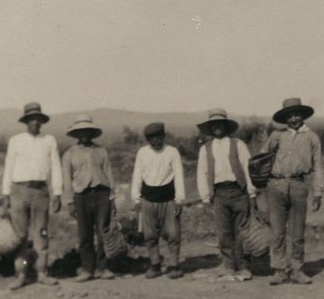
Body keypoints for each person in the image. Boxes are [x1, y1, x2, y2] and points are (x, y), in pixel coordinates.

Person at [263, 98, 324, 286]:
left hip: (299, 185)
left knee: (298, 232)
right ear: (285, 119)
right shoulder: (277, 135)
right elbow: (262, 158)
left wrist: (318, 192)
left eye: (297, 115)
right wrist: (262, 181)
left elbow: (318, 166)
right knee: (277, 231)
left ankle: (297, 269)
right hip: (276, 185)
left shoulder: (312, 137)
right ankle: (279, 270)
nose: (293, 119)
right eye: (289, 116)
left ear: (303, 116)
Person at [2, 102, 62, 290]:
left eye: (38, 119)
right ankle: (21, 274)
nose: (35, 122)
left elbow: (56, 166)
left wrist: (57, 192)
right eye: (31, 119)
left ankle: (42, 272)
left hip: (40, 191)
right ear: (26, 121)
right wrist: (5, 193)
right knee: (20, 234)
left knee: (41, 232)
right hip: (19, 191)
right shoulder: (16, 141)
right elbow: (8, 166)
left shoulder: (49, 140)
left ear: (42, 121)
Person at [196, 109, 257, 280]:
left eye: (220, 124)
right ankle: (229, 266)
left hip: (239, 192)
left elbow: (248, 167)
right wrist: (205, 197)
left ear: (226, 125)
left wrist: (251, 192)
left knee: (243, 232)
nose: (217, 127)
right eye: (214, 124)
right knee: (224, 233)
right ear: (210, 127)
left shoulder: (238, 144)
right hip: (219, 194)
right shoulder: (205, 149)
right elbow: (202, 173)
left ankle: (244, 266)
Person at [61, 115, 117, 282]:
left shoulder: (101, 151)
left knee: (103, 232)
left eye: (87, 130)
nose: (84, 134)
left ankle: (103, 267)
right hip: (81, 197)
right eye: (80, 131)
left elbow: (109, 174)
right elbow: (67, 180)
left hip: (102, 195)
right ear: (76, 134)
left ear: (92, 132)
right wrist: (69, 201)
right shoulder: (69, 154)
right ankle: (87, 269)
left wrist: (112, 197)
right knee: (84, 234)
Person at [130, 122, 186, 279]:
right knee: (149, 235)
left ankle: (174, 265)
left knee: (173, 233)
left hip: (168, 199)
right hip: (148, 199)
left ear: (163, 136)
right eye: (151, 138)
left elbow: (179, 175)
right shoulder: (142, 153)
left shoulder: (172, 152)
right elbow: (137, 175)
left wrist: (179, 199)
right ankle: (155, 265)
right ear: (148, 139)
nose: (155, 141)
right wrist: (136, 199)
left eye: (158, 137)